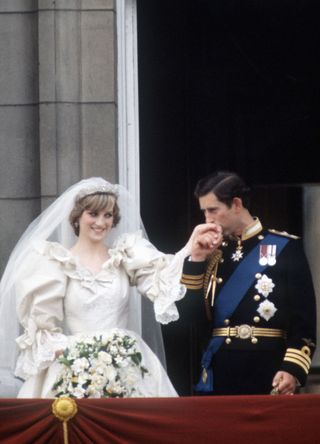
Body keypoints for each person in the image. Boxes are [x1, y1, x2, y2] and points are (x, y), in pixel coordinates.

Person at [0, 177, 219, 398]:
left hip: (128, 362)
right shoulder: (56, 263)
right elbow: (44, 328)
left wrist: (191, 250)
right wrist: (78, 360)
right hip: (75, 368)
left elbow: (163, 281)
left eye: (108, 215)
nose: (101, 222)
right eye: (93, 214)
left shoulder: (125, 255)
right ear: (77, 217)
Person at [180, 170, 317, 396]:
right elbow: (189, 320)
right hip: (221, 371)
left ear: (236, 204)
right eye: (204, 211)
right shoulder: (210, 253)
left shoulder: (285, 247)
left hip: (269, 370)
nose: (207, 219)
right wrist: (195, 260)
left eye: (213, 210)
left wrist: (292, 368)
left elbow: (304, 321)